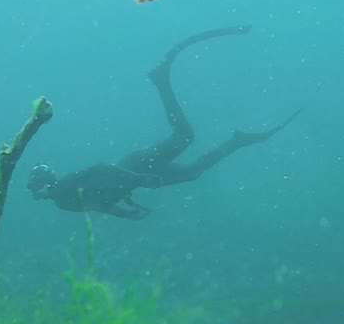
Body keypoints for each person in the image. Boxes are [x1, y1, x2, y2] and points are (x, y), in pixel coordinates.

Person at [26, 25, 303, 219]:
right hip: (138, 178)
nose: (44, 188)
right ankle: (237, 141)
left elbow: (102, 169)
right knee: (194, 171)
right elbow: (100, 204)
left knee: (185, 137)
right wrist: (126, 214)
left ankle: (161, 81)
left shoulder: (66, 187)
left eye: (42, 182)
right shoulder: (63, 203)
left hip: (137, 167)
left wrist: (137, 178)